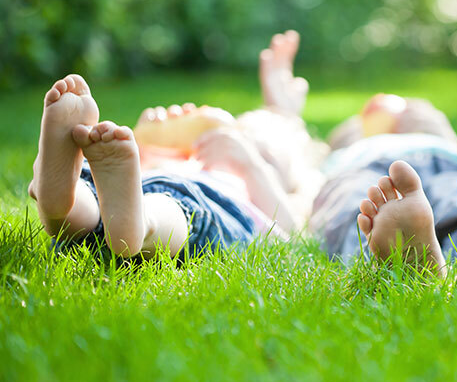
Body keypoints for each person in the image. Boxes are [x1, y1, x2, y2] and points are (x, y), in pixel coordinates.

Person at [27, 31, 323, 259]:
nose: (237, 142)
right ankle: (64, 202)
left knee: (174, 206)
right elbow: (126, 172)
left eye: (265, 153)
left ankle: (127, 223)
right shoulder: (184, 157)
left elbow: (291, 235)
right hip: (136, 185)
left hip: (197, 197)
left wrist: (251, 165)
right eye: (242, 131)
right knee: (102, 193)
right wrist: (144, 145)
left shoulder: (248, 188)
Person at [311, 106, 457, 283]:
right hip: (378, 164)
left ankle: (408, 268)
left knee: (361, 206)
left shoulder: (442, 138)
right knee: (454, 200)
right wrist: (352, 132)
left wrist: (439, 130)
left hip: (441, 159)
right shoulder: (348, 147)